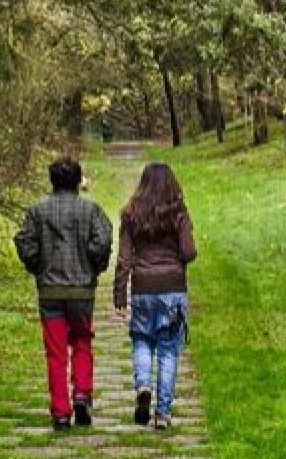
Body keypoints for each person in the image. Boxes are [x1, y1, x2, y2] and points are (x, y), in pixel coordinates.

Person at [14, 157, 113, 431]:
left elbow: (24, 241)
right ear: (78, 180)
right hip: (81, 290)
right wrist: (95, 264)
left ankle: (60, 412)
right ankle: (82, 393)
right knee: (82, 340)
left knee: (55, 352)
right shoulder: (91, 209)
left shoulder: (37, 211)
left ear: (52, 180)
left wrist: (37, 266)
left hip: (50, 292)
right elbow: (102, 240)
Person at [113, 162, 198, 430]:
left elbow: (124, 259)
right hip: (172, 289)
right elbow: (188, 252)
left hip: (143, 289)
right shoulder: (178, 213)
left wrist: (120, 298)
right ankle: (163, 413)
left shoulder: (131, 214)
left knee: (141, 340)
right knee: (168, 350)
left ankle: (143, 385)